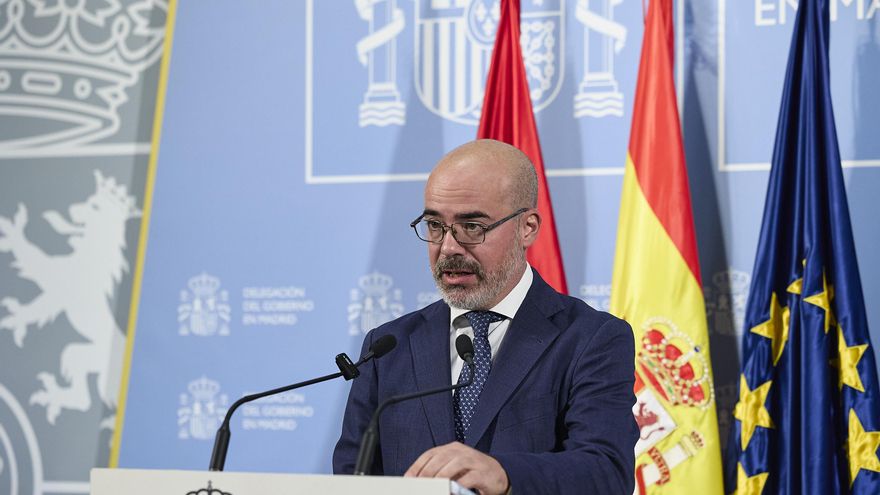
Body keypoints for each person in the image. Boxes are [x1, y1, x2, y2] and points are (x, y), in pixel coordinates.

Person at [333, 139, 637, 494]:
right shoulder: (389, 346)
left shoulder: (591, 339)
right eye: (435, 225)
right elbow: (353, 479)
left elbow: (605, 471)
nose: (448, 247)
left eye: (472, 227)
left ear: (527, 227)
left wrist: (504, 475)